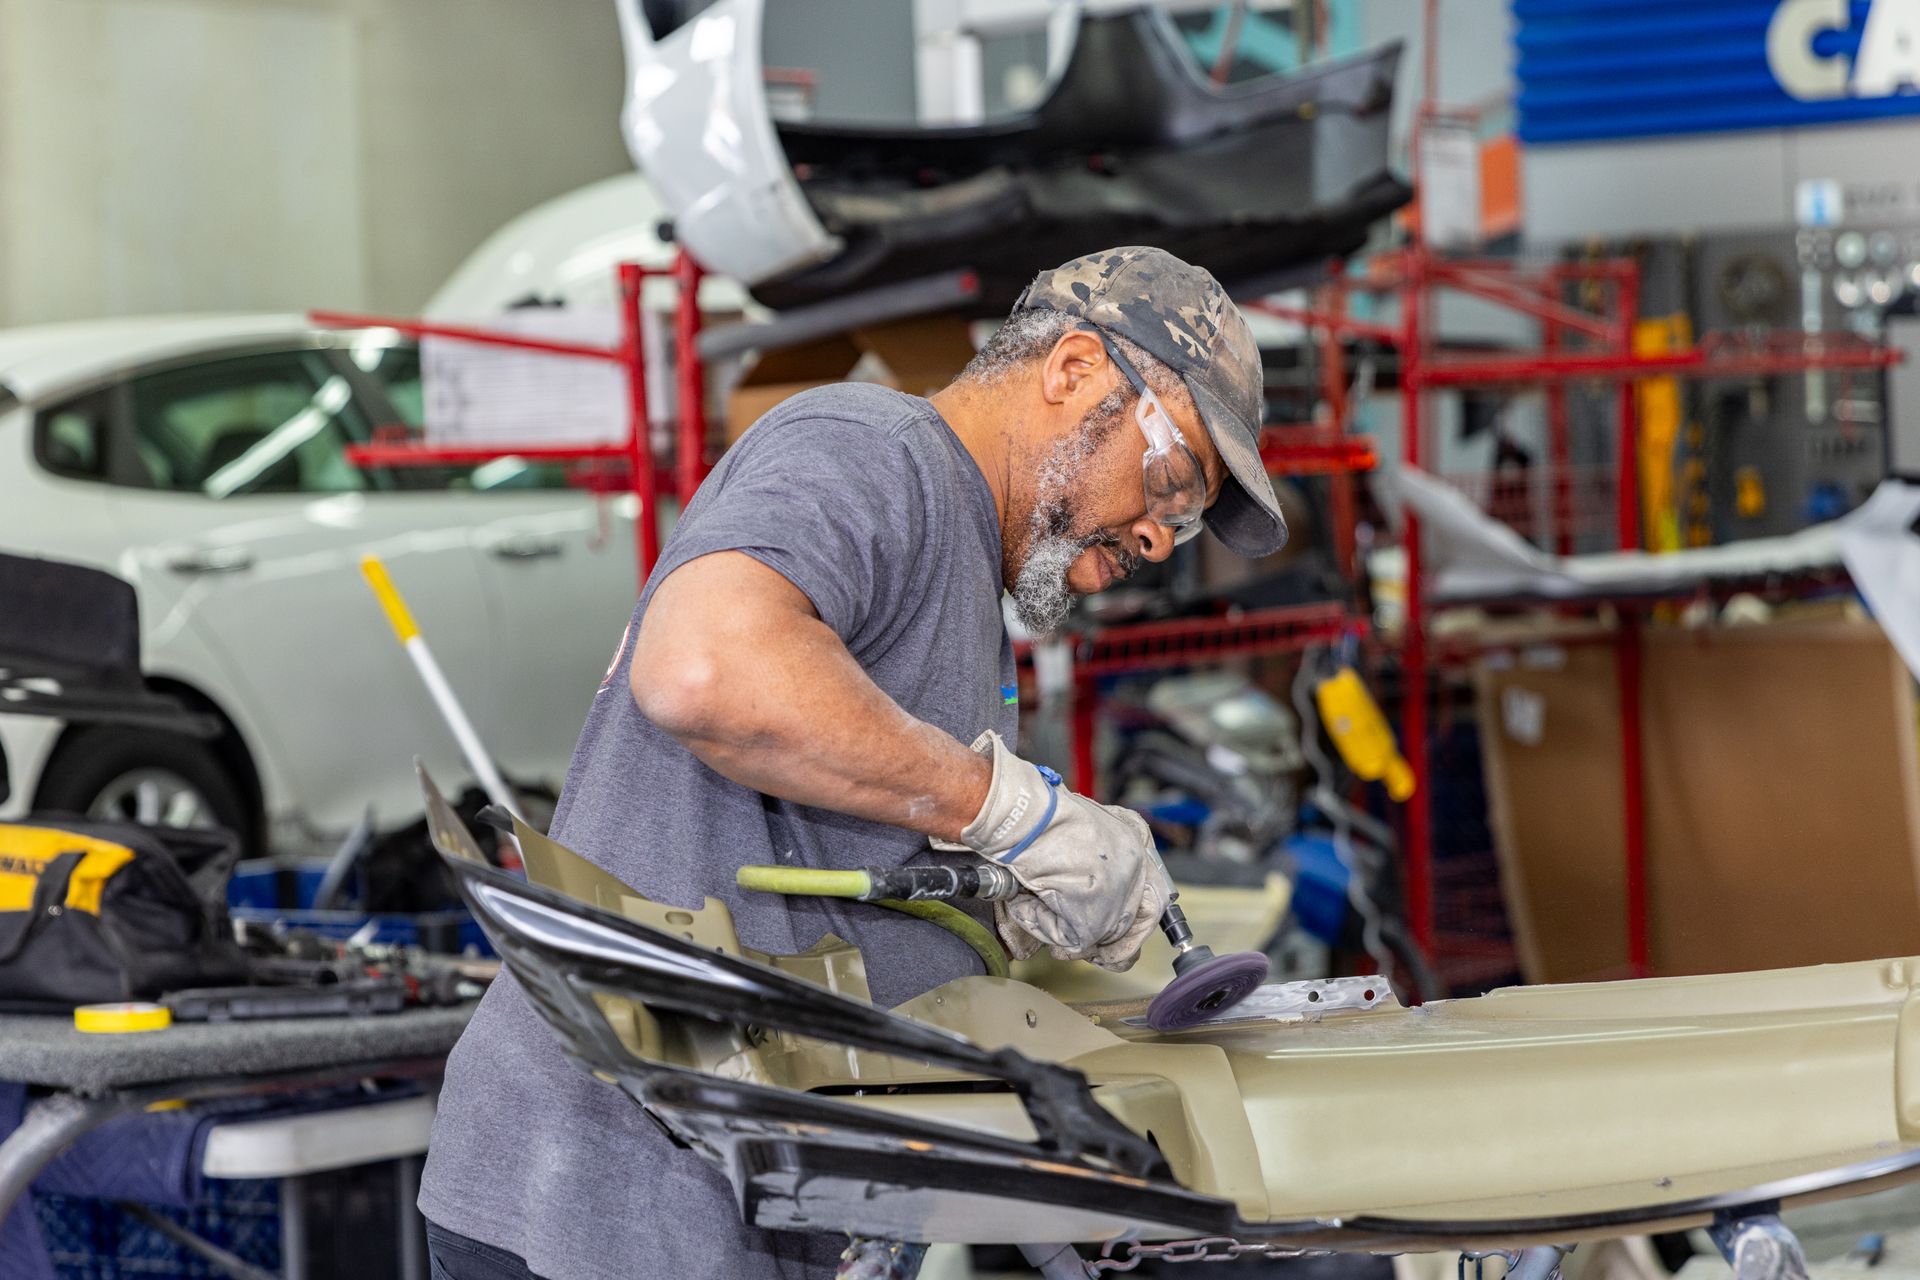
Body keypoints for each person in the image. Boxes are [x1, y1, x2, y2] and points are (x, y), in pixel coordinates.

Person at [418, 246, 1289, 1280]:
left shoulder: (965, 569)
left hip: (746, 1204)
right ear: (1074, 370)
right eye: (1173, 481)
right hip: (611, 1205)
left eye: (1184, 523)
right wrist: (1007, 811)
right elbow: (702, 669)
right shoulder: (873, 448)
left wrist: (995, 897)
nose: (1160, 538)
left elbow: (846, 807)